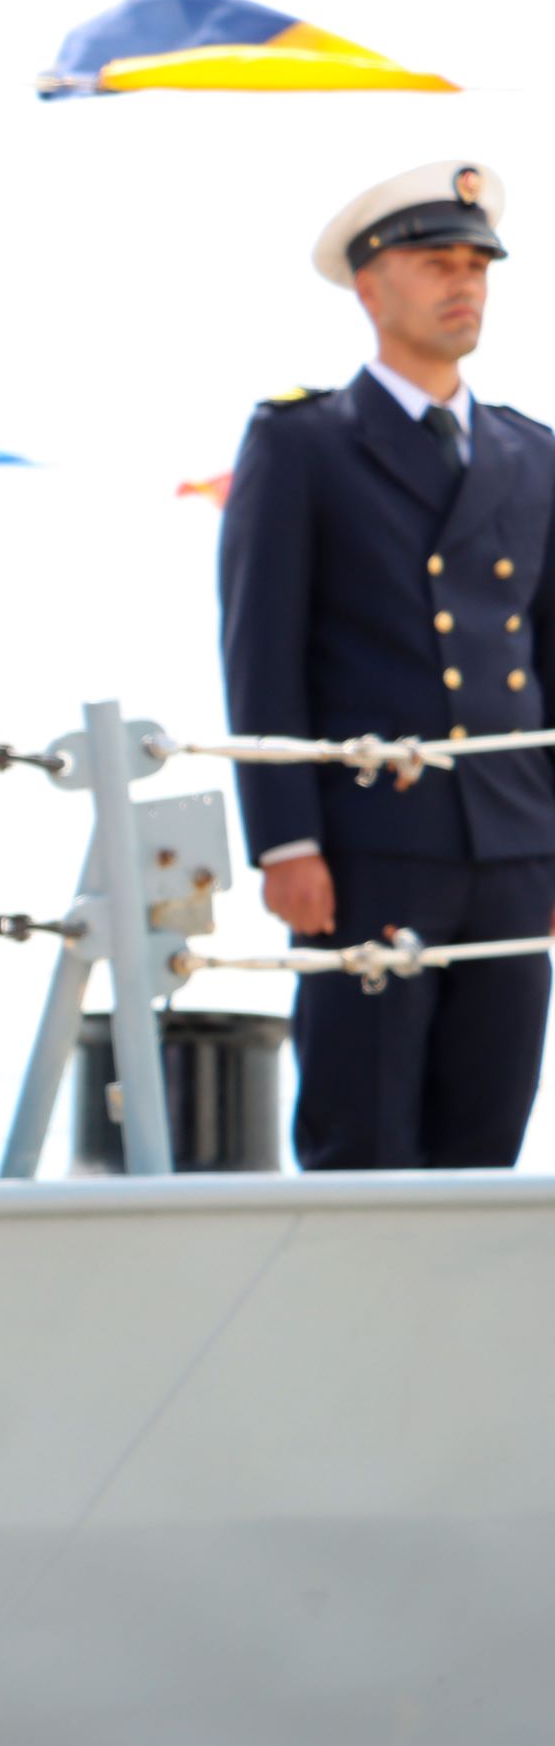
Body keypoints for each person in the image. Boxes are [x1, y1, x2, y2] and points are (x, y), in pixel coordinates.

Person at [219, 160, 555, 1169]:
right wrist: (285, 843)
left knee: (487, 1139)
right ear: (369, 286)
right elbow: (261, 654)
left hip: (513, 845)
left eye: (476, 266)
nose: (464, 284)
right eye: (436, 264)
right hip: (368, 847)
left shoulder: (531, 454)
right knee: (359, 1139)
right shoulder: (305, 442)